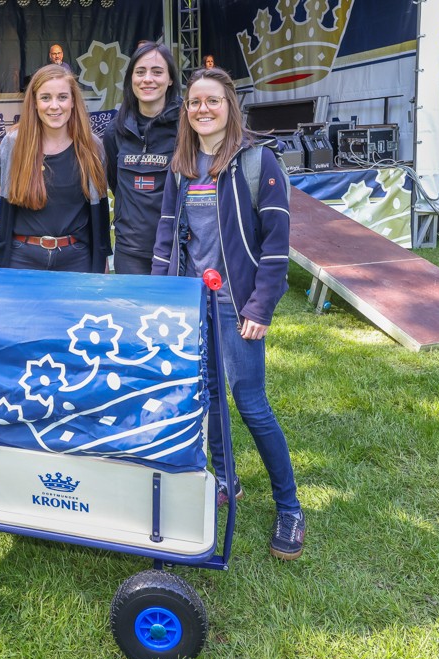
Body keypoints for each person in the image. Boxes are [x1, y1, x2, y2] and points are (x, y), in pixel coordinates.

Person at [151, 67, 305, 560]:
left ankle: (290, 507)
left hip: (237, 306)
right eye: (194, 102)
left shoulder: (259, 162)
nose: (202, 110)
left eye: (212, 101)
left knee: (250, 402)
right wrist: (162, 297)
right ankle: (226, 482)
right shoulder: (182, 165)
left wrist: (260, 306)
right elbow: (166, 234)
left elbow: (277, 248)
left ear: (229, 106)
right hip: (191, 304)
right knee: (208, 396)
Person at [0, 64, 110, 273]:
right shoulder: (14, 143)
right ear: (35, 103)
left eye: (62, 97)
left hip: (76, 260)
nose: (54, 106)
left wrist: (102, 258)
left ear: (73, 101)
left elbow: (100, 208)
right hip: (22, 259)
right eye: (46, 97)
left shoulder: (92, 147)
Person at [103, 41, 181, 275]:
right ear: (131, 79)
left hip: (177, 248)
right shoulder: (114, 131)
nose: (148, 79)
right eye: (140, 72)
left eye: (157, 72)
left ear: (170, 80)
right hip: (130, 252)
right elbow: (116, 185)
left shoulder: (188, 128)